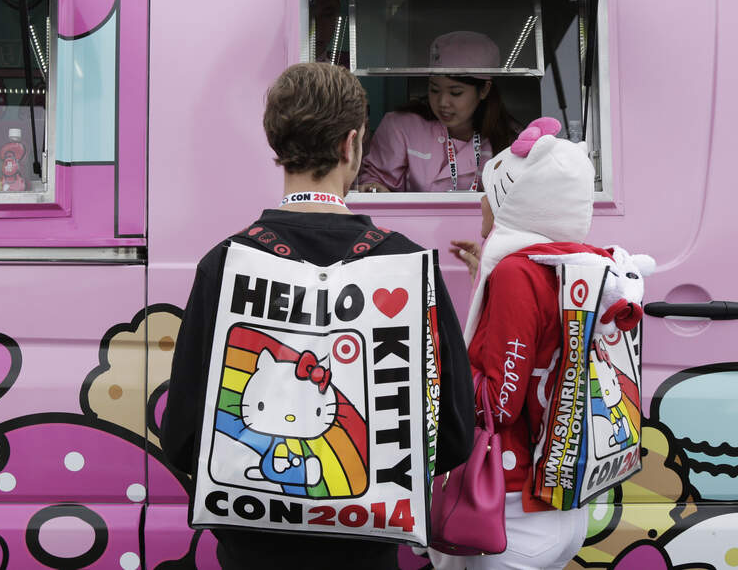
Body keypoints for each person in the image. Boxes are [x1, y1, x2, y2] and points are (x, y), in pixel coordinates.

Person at [161, 62, 476, 570]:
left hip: (251, 551)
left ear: (277, 145)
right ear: (353, 144)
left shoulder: (224, 264)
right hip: (367, 551)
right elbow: (455, 432)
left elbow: (181, 436)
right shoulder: (406, 266)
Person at [431, 117, 601, 570]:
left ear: (514, 200)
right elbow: (537, 343)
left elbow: (499, 402)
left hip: (510, 510)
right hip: (559, 504)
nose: (482, 200)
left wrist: (436, 361)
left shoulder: (514, 275)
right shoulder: (565, 265)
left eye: (490, 189)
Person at [356, 31, 521, 193]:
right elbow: (374, 180)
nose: (442, 102)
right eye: (434, 89)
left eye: (455, 93)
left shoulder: (509, 138)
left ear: (484, 90)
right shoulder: (401, 127)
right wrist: (375, 188)